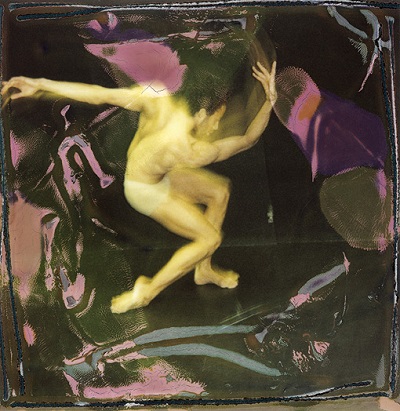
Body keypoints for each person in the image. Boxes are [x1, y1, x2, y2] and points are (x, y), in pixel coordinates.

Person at [2, 60, 276, 312]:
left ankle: (203, 269)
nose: (216, 127)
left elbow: (99, 94)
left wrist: (40, 84)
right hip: (143, 191)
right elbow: (248, 140)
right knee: (210, 238)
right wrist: (268, 103)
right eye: (216, 119)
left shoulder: (157, 96)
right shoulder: (192, 150)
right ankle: (146, 292)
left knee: (219, 191)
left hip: (160, 174)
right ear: (203, 113)